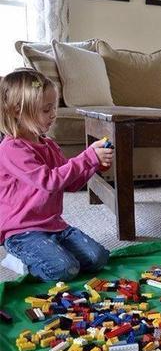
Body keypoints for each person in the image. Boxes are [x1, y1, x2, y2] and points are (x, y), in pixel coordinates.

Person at [0, 70, 113, 281]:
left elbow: (69, 184)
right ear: (17, 111)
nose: (53, 114)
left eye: (54, 107)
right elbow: (49, 181)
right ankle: (19, 259)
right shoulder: (11, 148)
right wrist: (87, 157)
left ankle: (52, 249)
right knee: (65, 270)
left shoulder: (49, 145)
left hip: (54, 226)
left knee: (98, 258)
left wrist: (95, 164)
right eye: (46, 109)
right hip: (22, 232)